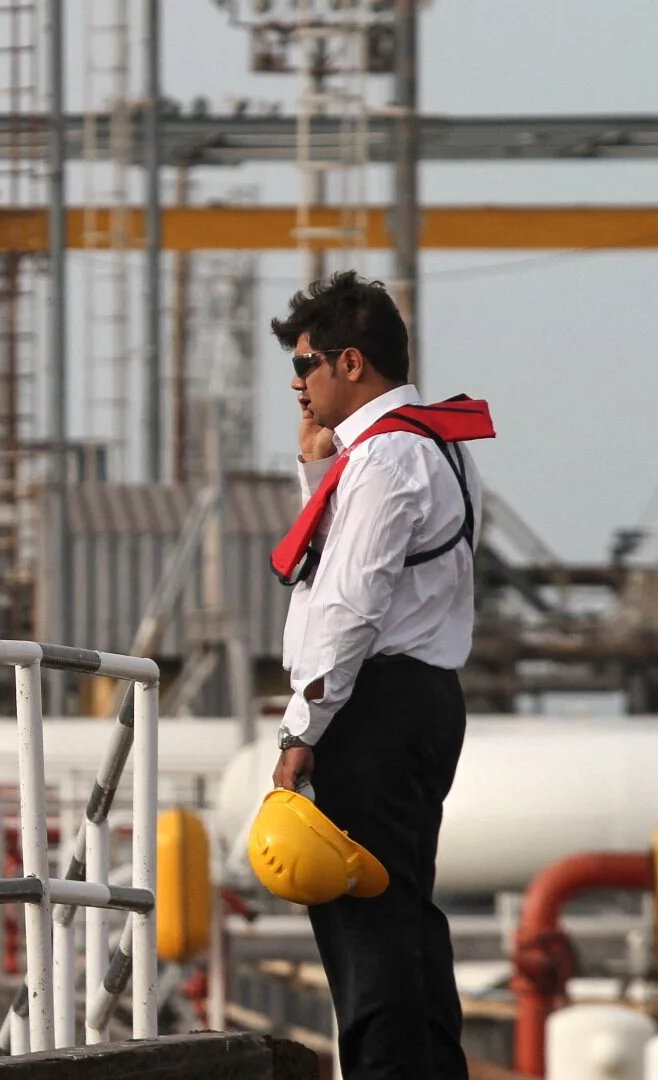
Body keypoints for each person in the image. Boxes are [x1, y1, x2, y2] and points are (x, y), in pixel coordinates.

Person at [267, 271, 493, 1079]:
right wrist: (314, 469)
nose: (296, 386)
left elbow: (350, 603)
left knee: (365, 927)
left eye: (303, 366)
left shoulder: (388, 455)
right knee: (404, 911)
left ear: (349, 362)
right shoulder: (439, 441)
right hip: (425, 698)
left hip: (374, 704)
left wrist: (301, 730)